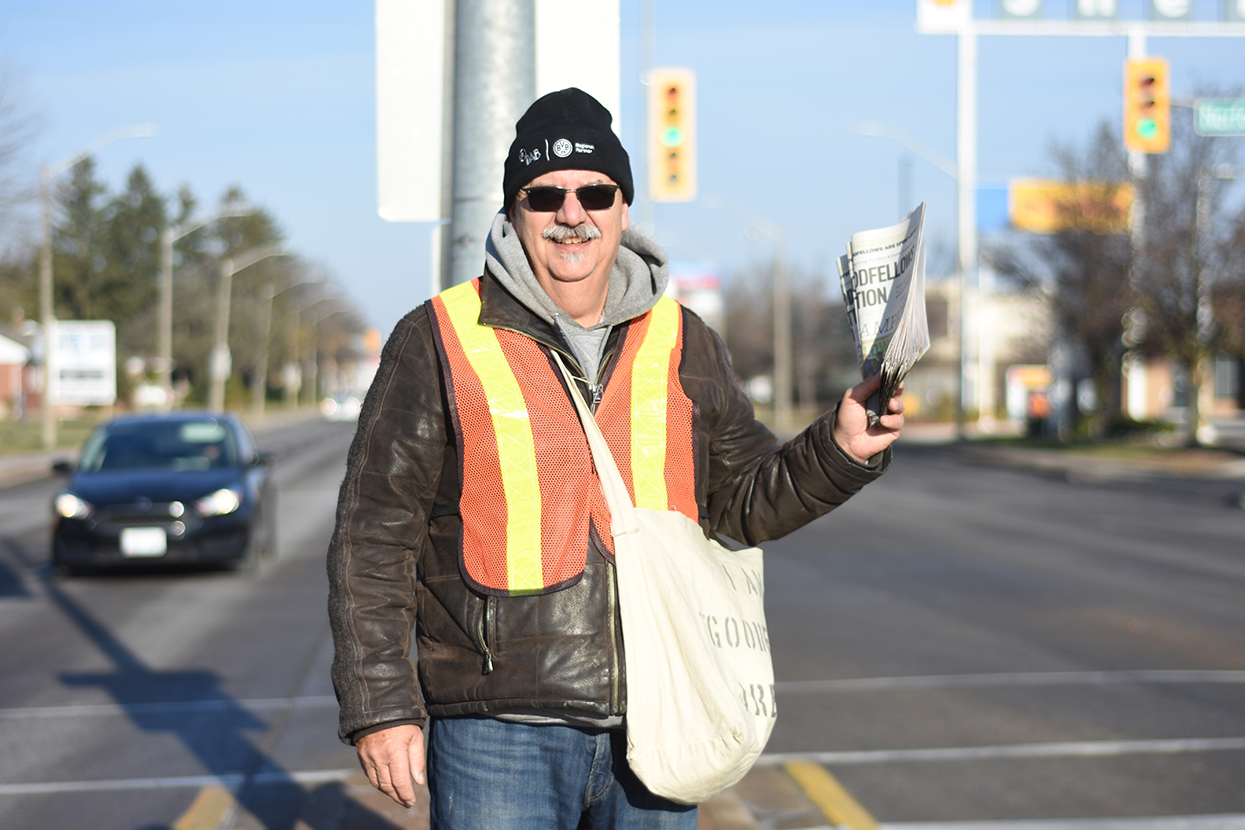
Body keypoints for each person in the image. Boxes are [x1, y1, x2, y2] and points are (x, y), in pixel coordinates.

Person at [327, 87, 904, 829]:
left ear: (622, 208)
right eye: (545, 196)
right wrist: (380, 708)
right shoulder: (437, 335)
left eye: (595, 192)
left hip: (660, 711)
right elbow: (373, 535)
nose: (573, 213)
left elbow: (741, 502)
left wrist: (841, 447)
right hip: (496, 731)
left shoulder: (684, 337)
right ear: (513, 212)